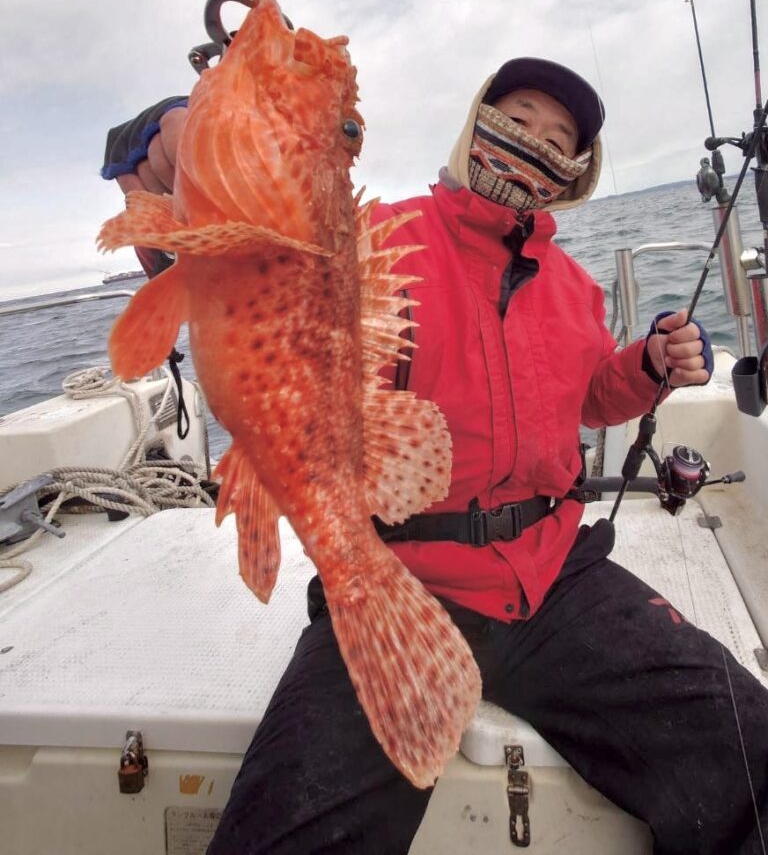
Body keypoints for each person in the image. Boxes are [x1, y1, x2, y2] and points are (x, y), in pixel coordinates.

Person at [103, 56, 768, 854]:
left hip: (553, 579)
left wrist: (648, 366)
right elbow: (252, 253)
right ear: (477, 125)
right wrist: (173, 135)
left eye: (559, 138)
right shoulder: (378, 236)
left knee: (751, 750)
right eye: (517, 119)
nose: (534, 141)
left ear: (574, 172)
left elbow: (590, 398)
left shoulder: (575, 287)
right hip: (390, 574)